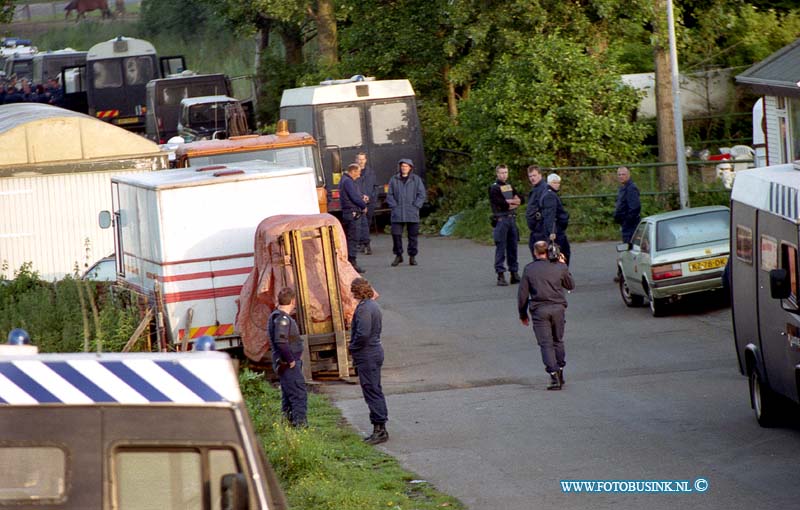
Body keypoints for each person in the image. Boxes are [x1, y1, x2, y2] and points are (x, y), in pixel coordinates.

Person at [518, 240, 575, 390]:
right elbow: (570, 285)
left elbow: (523, 294)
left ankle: (553, 375)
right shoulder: (559, 266)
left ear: (535, 252)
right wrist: (564, 265)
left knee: (546, 344)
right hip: (558, 308)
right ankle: (561, 369)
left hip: (539, 310)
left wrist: (522, 314)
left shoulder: (529, 269)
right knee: (558, 340)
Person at [349, 277, 389, 445]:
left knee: (372, 390)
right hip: (373, 351)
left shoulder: (364, 309)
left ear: (356, 291)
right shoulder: (373, 306)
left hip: (367, 354)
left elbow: (363, 334)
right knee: (374, 388)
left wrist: (353, 346)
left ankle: (379, 429)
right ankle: (379, 426)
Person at [268, 287, 308, 427]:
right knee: (298, 395)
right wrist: (290, 360)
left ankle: (288, 425)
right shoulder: (282, 319)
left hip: (283, 363)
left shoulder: (275, 316)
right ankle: (300, 426)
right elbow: (281, 341)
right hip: (288, 364)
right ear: (292, 301)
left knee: (288, 395)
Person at [387, 158, 426, 267]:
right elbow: (389, 195)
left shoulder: (416, 179)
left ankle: (412, 257)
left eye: (406, 166)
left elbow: (422, 194)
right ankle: (398, 255)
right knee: (396, 235)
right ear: (400, 167)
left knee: (413, 236)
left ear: (410, 168)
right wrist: (394, 206)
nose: (404, 168)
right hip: (397, 212)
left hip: (412, 212)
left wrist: (416, 206)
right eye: (402, 166)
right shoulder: (394, 179)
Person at [489, 164, 523, 286]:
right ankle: (500, 275)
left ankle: (514, 273)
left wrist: (513, 202)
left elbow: (521, 199)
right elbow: (501, 203)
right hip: (501, 219)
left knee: (513, 247)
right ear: (497, 173)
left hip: (512, 219)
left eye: (506, 172)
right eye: (502, 172)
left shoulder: (509, 186)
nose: (504, 175)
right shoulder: (494, 188)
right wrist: (511, 202)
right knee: (501, 247)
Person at [339, 163, 368, 273]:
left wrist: (361, 197)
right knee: (353, 238)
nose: (359, 175)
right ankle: (352, 262)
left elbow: (355, 195)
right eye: (358, 172)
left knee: (351, 237)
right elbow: (353, 197)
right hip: (352, 213)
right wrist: (363, 205)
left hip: (349, 212)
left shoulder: (344, 180)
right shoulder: (348, 181)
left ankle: (351, 261)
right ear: (353, 171)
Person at [543, 173, 571, 265]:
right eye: (555, 183)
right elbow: (550, 215)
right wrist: (552, 231)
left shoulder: (548, 193)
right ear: (550, 183)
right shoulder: (550, 196)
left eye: (558, 183)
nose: (557, 185)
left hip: (557, 228)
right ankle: (561, 275)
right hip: (557, 229)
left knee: (560, 253)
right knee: (562, 253)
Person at [356, 152, 377, 255]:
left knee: (367, 222)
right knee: (360, 223)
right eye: (359, 159)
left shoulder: (371, 172)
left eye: (362, 159)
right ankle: (363, 243)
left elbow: (374, 186)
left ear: (366, 160)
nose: (361, 161)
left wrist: (370, 197)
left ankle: (365, 243)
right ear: (356, 160)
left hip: (370, 202)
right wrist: (361, 197)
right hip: (358, 202)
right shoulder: (354, 173)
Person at [613, 166, 641, 244]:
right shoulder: (623, 188)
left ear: (628, 175)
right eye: (619, 175)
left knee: (630, 245)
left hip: (631, 226)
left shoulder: (631, 188)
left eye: (623, 174)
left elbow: (635, 208)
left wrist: (626, 221)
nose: (621, 176)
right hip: (625, 225)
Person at [525, 165, 547, 258]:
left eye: (534, 175)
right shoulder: (535, 189)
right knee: (533, 248)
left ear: (540, 175)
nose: (532, 178)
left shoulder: (543, 188)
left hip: (541, 226)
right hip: (535, 227)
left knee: (540, 253)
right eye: (530, 176)